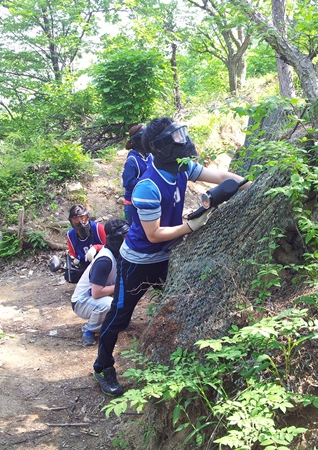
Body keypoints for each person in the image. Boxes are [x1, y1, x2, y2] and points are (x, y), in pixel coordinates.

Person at [92, 117, 251, 396]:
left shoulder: (182, 167)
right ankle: (102, 366)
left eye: (182, 134)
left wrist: (248, 184)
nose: (183, 141)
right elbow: (153, 234)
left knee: (183, 302)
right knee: (119, 316)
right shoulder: (147, 186)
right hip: (138, 262)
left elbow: (219, 177)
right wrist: (190, 226)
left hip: (168, 257)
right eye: (176, 137)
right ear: (160, 147)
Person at [71, 218, 129, 346]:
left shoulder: (116, 253)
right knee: (108, 305)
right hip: (81, 301)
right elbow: (96, 293)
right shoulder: (105, 260)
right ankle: (89, 329)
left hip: (94, 298)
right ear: (116, 239)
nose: (128, 239)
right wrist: (123, 286)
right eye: (124, 236)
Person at [121, 124, 151, 225]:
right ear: (138, 140)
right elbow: (128, 183)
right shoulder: (132, 161)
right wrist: (149, 179)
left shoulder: (149, 156)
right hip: (133, 204)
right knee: (135, 231)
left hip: (148, 201)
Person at [66, 204, 106, 274]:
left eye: (82, 218)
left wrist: (96, 248)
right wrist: (72, 259)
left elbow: (109, 246)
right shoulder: (70, 235)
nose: (80, 222)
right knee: (69, 274)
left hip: (101, 260)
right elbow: (72, 252)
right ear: (72, 222)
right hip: (84, 263)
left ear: (87, 217)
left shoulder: (97, 228)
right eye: (76, 220)